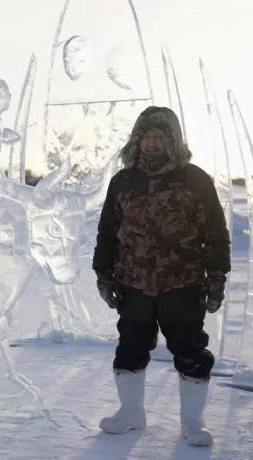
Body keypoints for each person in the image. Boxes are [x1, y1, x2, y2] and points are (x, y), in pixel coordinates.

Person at [92, 106, 230, 447]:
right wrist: (104, 274)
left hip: (182, 283)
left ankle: (192, 423)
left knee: (190, 350)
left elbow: (215, 233)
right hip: (133, 283)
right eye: (145, 138)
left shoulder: (194, 179)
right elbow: (108, 232)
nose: (151, 144)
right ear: (136, 142)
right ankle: (130, 414)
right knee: (130, 347)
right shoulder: (122, 181)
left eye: (158, 138)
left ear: (172, 141)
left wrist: (216, 277)